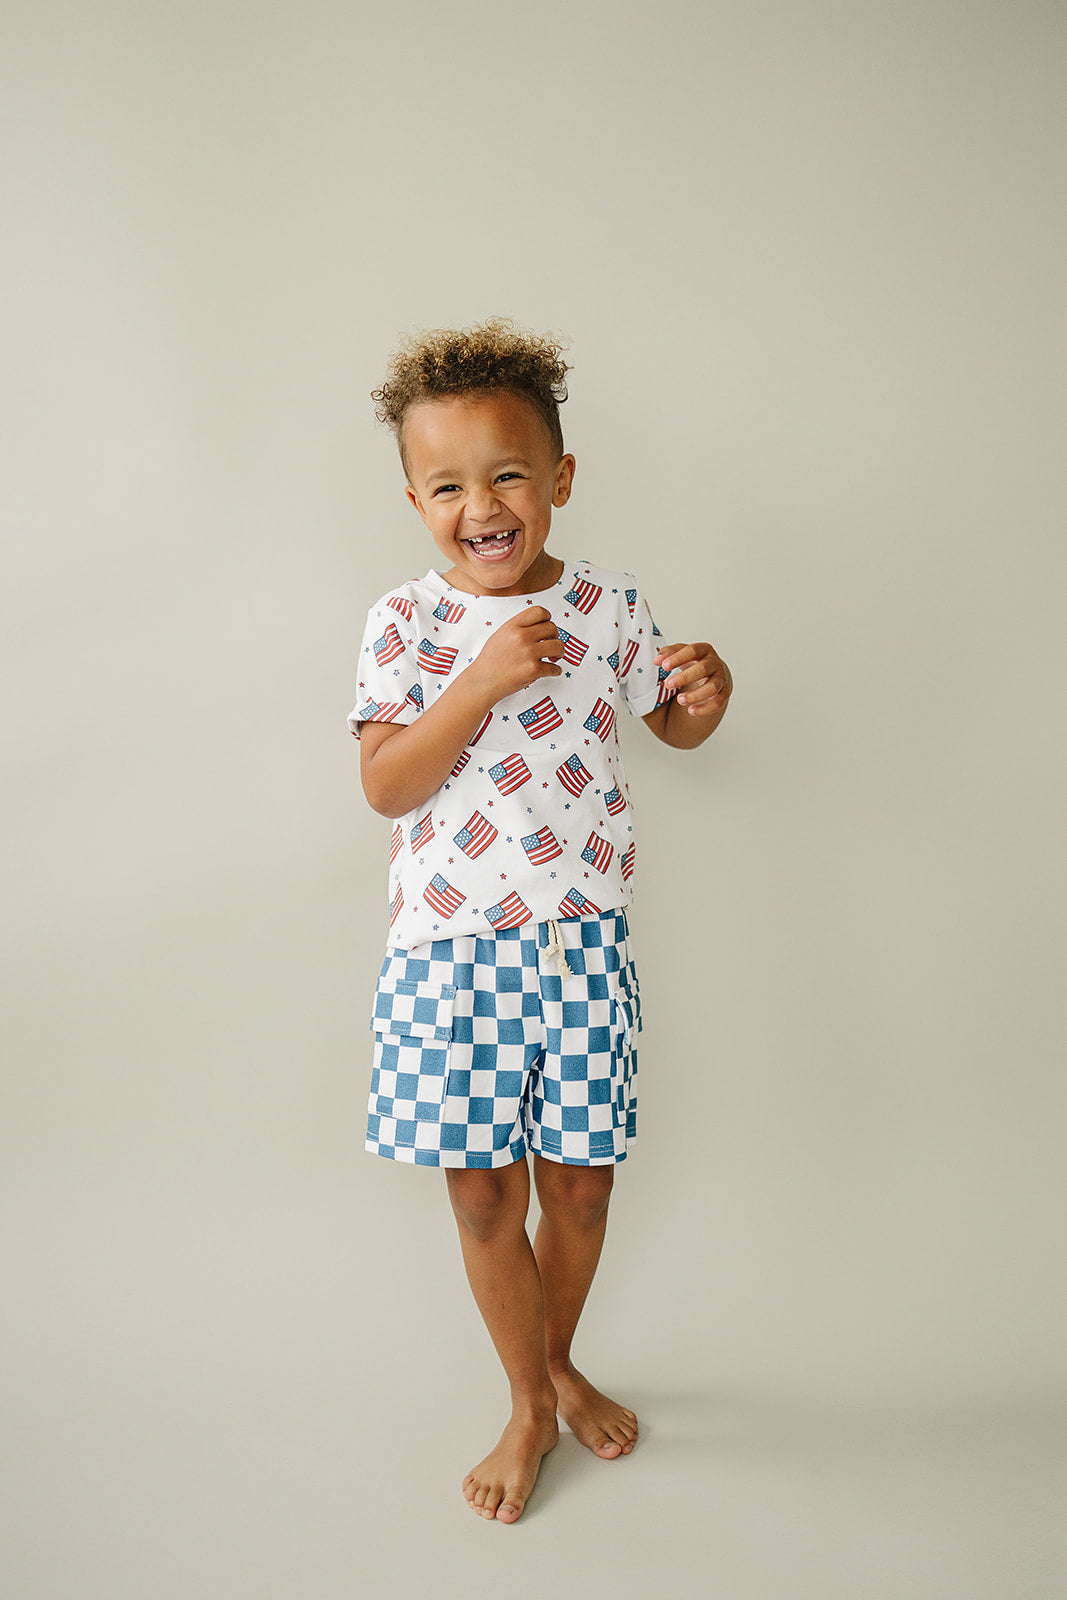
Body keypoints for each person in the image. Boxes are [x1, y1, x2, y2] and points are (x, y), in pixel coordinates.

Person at [347, 319, 732, 1522]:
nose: (482, 506)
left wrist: (704, 700)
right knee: (481, 1195)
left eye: (508, 473)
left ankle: (554, 1364)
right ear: (414, 500)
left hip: (581, 947)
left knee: (578, 1189)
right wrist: (478, 681)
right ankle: (527, 1402)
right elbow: (385, 785)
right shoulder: (403, 623)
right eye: (447, 485)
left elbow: (669, 726)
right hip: (450, 958)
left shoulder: (608, 606)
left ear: (559, 478)